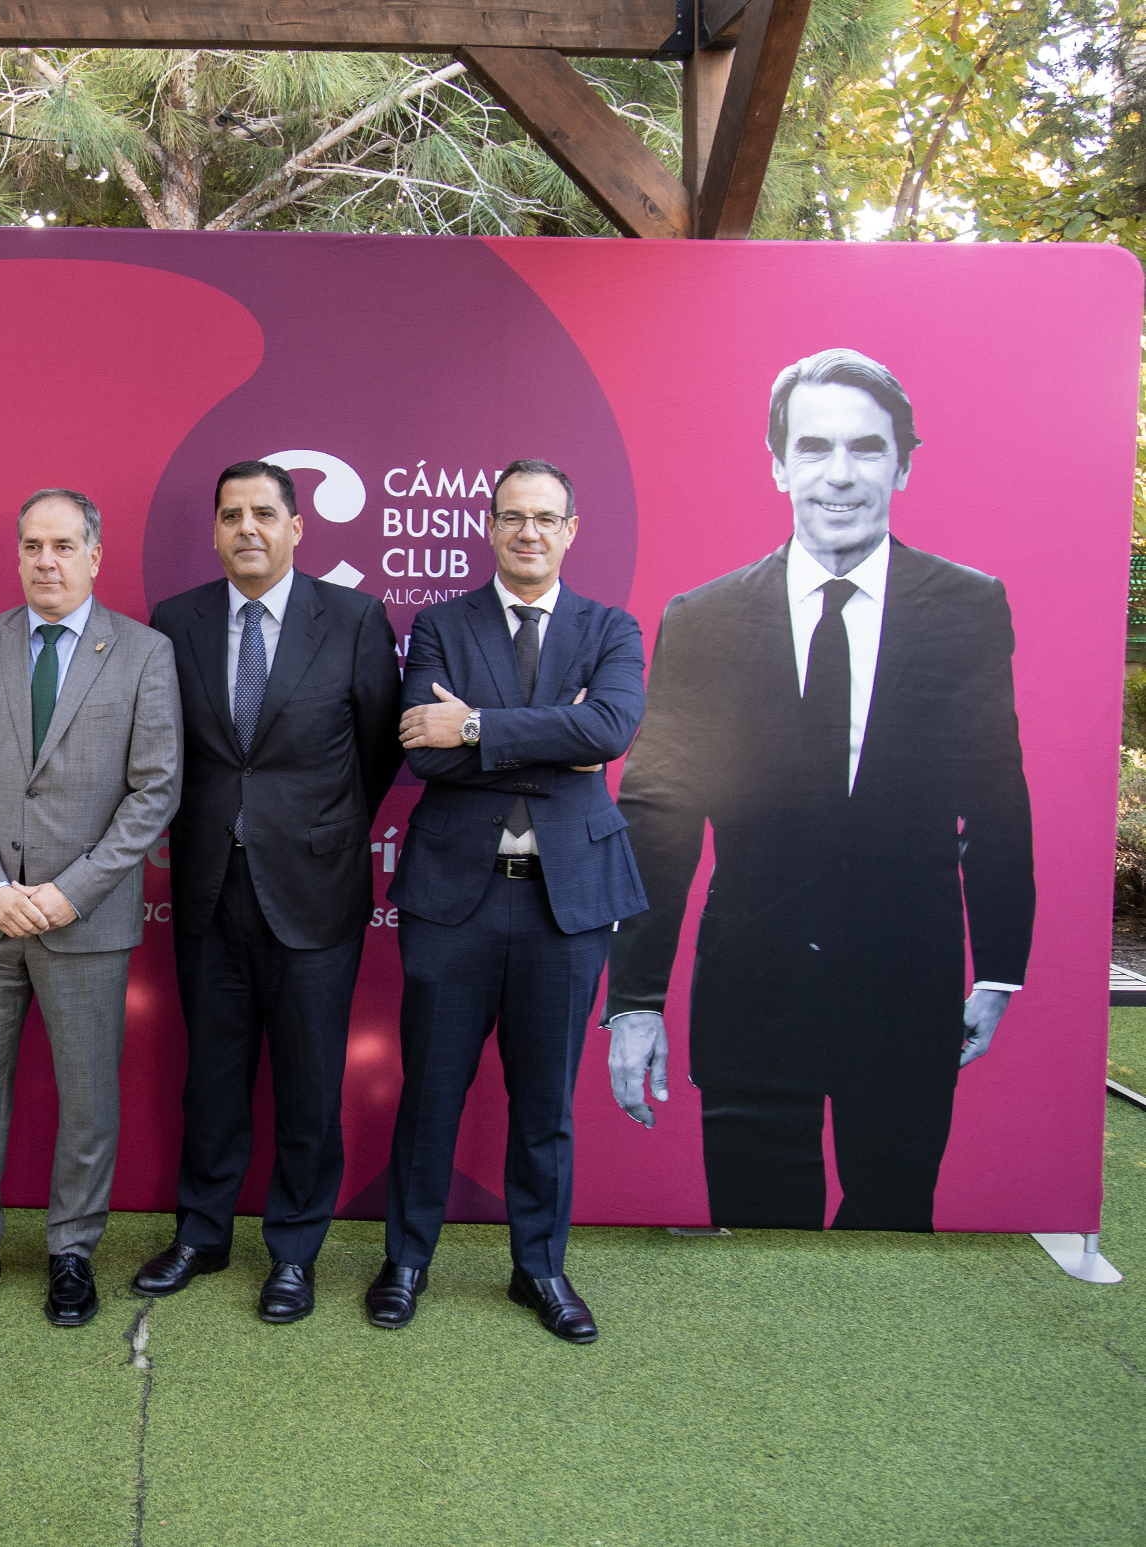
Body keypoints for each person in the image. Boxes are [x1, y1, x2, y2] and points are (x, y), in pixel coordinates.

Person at [606, 349, 1034, 1232]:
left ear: (904, 464)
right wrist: (637, 1000)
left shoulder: (967, 604)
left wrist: (998, 970)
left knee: (892, 1248)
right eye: (814, 448)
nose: (840, 475)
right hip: (750, 996)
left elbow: (995, 790)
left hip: (908, 990)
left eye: (868, 449)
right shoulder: (704, 618)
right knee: (760, 1253)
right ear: (778, 464)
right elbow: (659, 816)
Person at [379, 458, 645, 1343]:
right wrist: (552, 736)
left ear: (571, 530)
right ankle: (406, 1260)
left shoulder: (611, 626)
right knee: (432, 1093)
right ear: (488, 528)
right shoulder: (441, 624)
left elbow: (608, 730)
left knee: (545, 1104)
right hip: (454, 897)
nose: (528, 531)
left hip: (565, 905)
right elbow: (424, 749)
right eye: (511, 517)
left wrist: (483, 724)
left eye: (545, 518)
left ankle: (540, 1267)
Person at [139, 460, 403, 1324]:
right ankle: (202, 1233)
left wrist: (307, 826)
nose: (246, 527)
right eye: (230, 514)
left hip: (315, 889)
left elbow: (375, 752)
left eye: (263, 512)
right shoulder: (175, 622)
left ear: (298, 527)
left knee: (308, 1080)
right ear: (214, 531)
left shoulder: (355, 618)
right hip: (211, 888)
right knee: (211, 1078)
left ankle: (294, 1250)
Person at [0, 489, 183, 1326]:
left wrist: (69, 891)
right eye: (32, 545)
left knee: (87, 1095)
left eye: (63, 545)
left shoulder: (143, 652)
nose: (46, 560)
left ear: (94, 556)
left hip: (87, 919)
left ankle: (72, 1252)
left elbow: (155, 790)